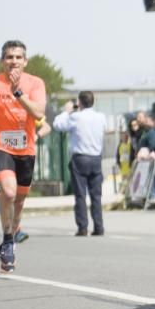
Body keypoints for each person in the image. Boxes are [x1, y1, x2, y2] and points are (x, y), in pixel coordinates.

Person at [0, 40, 47, 272]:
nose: (13, 62)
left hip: (26, 149)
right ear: (2, 61)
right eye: (9, 57)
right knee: (9, 192)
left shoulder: (35, 83)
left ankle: (11, 235)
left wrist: (18, 93)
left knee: (19, 200)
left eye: (18, 57)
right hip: (0, 146)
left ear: (25, 61)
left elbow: (39, 112)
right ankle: (9, 241)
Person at [53, 91, 107, 236]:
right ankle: (99, 226)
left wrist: (67, 111)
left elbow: (57, 125)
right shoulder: (101, 117)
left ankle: (83, 227)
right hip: (96, 158)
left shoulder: (75, 117)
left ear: (80, 102)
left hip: (80, 157)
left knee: (80, 195)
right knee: (96, 195)